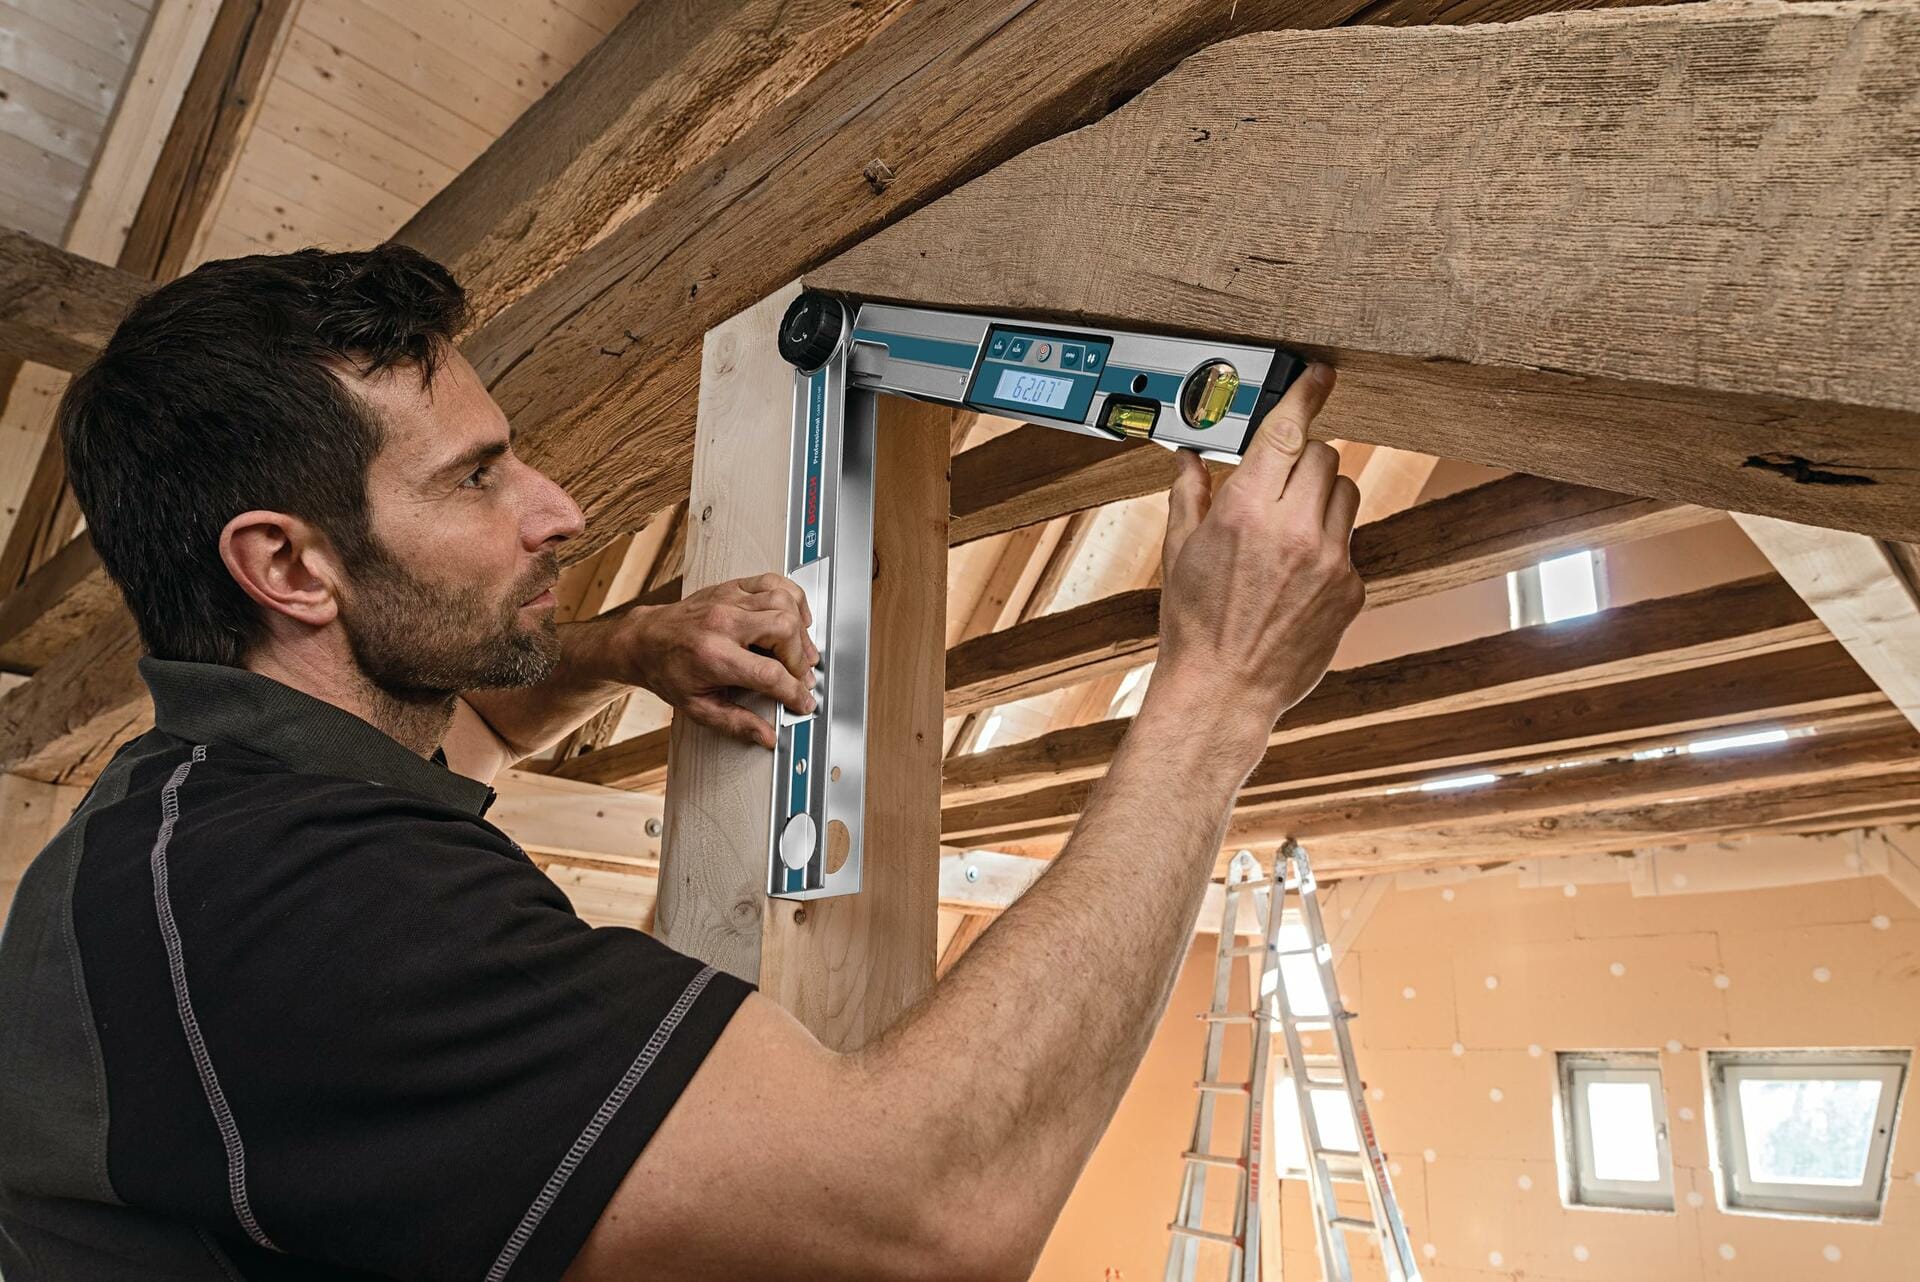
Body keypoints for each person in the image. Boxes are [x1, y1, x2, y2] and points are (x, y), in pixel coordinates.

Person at [0, 244, 1363, 1281]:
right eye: (475, 479)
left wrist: (628, 646)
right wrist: (1216, 694)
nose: (560, 508)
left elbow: (438, 723)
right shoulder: (303, 906)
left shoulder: (191, 820)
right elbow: (932, 1211)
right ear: (287, 565)